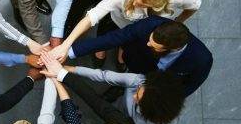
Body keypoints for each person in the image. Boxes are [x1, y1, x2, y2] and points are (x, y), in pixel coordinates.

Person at [41, 54, 185, 124]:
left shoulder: (169, 122)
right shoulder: (139, 81)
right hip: (115, 109)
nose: (134, 95)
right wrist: (67, 69)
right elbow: (103, 76)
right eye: (137, 91)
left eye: (139, 99)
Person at [49, 0, 201, 63]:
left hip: (148, 31)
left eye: (141, 3)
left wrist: (179, 21)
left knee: (131, 45)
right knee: (108, 34)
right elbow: (92, 16)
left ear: (156, 2)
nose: (134, 4)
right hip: (118, 23)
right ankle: (102, 49)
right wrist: (65, 45)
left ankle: (122, 49)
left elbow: (195, 3)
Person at [64, 16, 212, 97]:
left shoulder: (202, 60)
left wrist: (159, 100)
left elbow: (188, 87)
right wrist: (69, 51)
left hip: (160, 83)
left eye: (154, 45)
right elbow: (113, 38)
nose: (148, 43)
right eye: (150, 39)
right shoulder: (149, 25)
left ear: (171, 48)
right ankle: (120, 87)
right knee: (128, 75)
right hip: (137, 61)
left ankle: (124, 89)